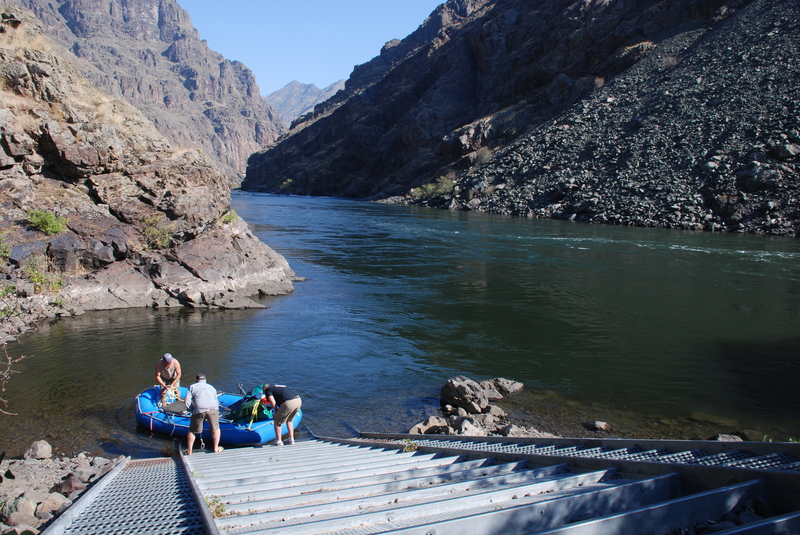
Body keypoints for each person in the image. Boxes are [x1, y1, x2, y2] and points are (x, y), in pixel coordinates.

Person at [184, 373, 223, 454]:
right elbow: (216, 400)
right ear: (205, 380)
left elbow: (187, 402)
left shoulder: (192, 387)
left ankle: (189, 451)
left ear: (196, 380)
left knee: (192, 430)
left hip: (199, 409)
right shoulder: (211, 387)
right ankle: (216, 448)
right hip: (213, 408)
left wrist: (192, 410)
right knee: (216, 428)